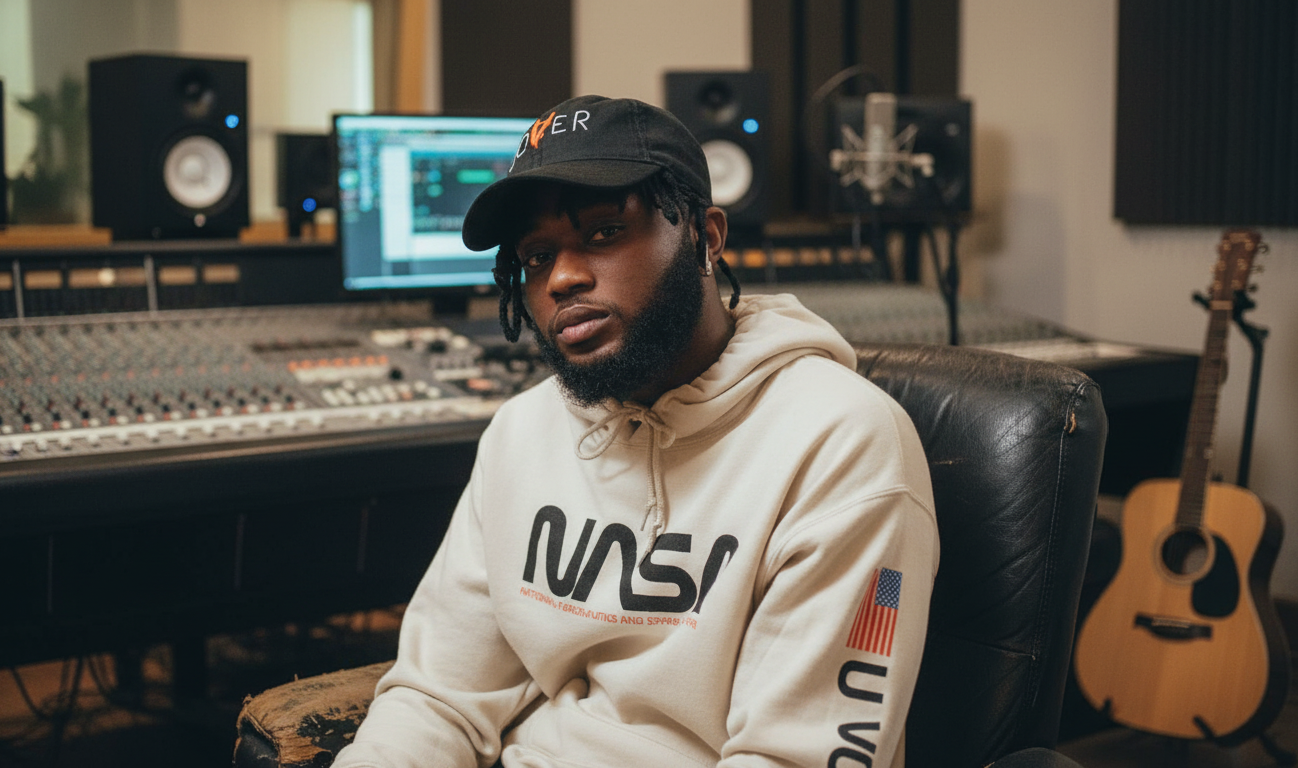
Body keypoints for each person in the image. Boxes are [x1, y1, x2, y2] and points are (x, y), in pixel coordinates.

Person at [332, 95, 938, 768]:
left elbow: (794, 756)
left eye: (603, 233)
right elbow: (437, 696)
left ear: (706, 236)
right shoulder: (521, 432)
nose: (562, 278)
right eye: (537, 255)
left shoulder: (842, 443)